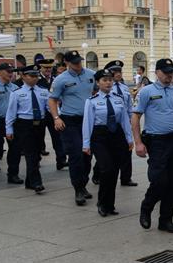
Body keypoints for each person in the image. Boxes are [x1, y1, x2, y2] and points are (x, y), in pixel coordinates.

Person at [132, 58, 173, 233]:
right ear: (157, 72)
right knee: (159, 181)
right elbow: (136, 117)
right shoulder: (146, 92)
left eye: (171, 72)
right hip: (155, 141)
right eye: (166, 72)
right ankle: (146, 207)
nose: (169, 76)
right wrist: (138, 143)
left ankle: (166, 220)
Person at [82, 69, 134, 216]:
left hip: (117, 136)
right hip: (100, 137)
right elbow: (87, 123)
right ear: (98, 83)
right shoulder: (91, 101)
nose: (108, 83)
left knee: (114, 171)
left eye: (110, 80)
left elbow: (124, 120)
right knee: (106, 169)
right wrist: (86, 144)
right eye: (104, 80)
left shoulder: (118, 99)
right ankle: (102, 203)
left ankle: (110, 205)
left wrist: (129, 138)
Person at [47, 51, 96, 205]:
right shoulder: (60, 80)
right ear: (67, 63)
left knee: (87, 155)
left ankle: (83, 184)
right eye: (74, 62)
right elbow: (52, 100)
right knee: (76, 155)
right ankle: (78, 189)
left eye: (79, 61)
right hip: (70, 121)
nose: (78, 65)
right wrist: (56, 118)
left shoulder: (91, 74)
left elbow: (96, 91)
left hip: (88, 120)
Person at [4, 65, 49, 193]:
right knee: (30, 153)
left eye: (36, 76)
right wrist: (9, 129)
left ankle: (29, 182)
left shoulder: (43, 91)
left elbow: (50, 107)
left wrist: (58, 116)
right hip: (24, 125)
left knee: (37, 153)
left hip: (39, 124)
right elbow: (11, 112)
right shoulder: (17, 93)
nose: (34, 78)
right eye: (31, 76)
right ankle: (37, 182)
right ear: (23, 76)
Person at [104, 61, 138, 187]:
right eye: (115, 72)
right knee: (108, 152)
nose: (118, 74)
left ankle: (126, 177)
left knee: (127, 149)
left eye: (120, 72)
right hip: (110, 124)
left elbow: (129, 106)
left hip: (124, 124)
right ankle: (98, 174)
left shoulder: (124, 88)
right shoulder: (106, 87)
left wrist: (130, 119)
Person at [37, 59, 66, 169]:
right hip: (40, 113)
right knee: (38, 138)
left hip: (53, 112)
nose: (48, 70)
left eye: (50, 68)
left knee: (58, 137)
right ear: (41, 68)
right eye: (45, 68)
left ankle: (61, 160)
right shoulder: (36, 79)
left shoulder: (55, 79)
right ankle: (36, 160)